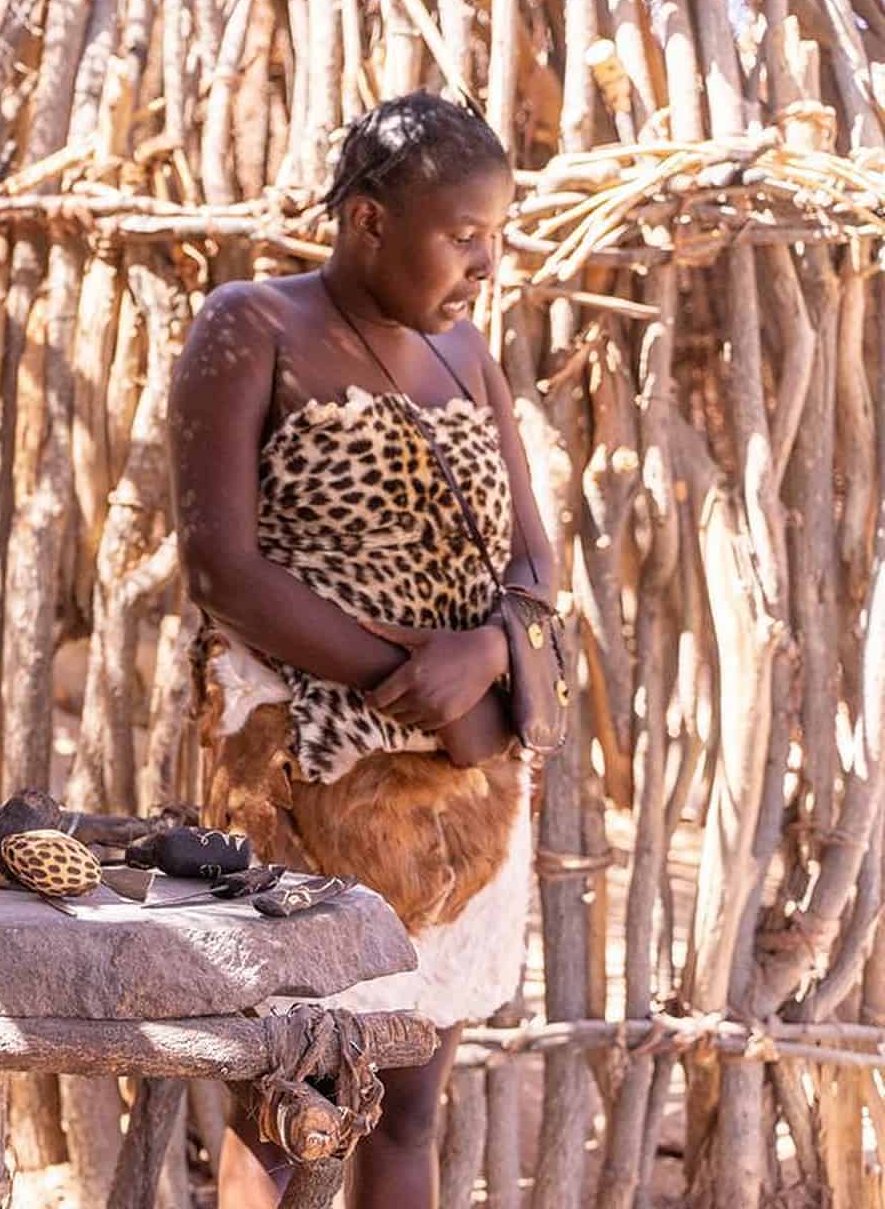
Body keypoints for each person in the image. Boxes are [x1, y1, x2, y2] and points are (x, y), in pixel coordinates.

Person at [168, 92, 556, 1209]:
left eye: (496, 235)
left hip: (465, 785)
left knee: (410, 1098)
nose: (485, 260)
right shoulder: (252, 326)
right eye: (461, 233)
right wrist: (412, 688)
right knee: (289, 1088)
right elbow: (223, 568)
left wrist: (484, 657)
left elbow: (533, 558)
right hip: (305, 770)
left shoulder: (468, 351)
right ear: (368, 221)